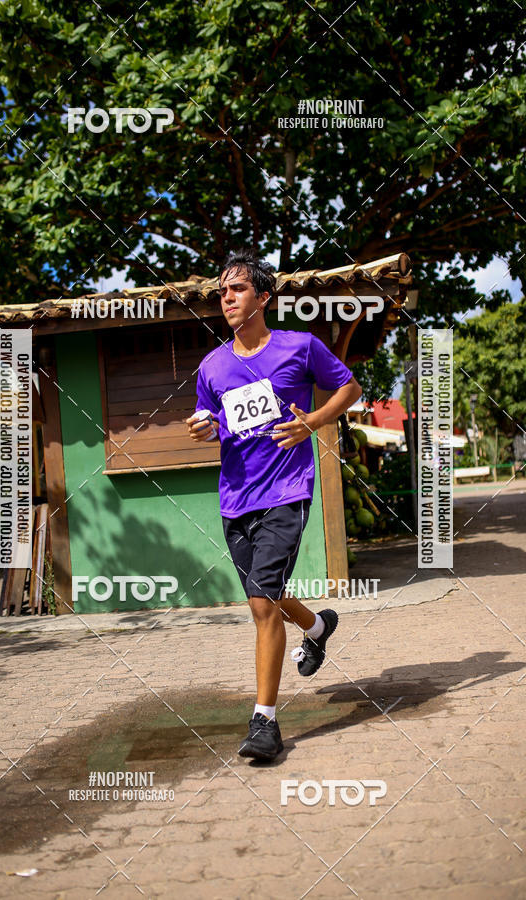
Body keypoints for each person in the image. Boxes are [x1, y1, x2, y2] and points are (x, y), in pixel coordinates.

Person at [186, 249, 362, 761]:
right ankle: (317, 626)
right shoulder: (212, 366)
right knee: (270, 594)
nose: (226, 299)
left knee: (261, 604)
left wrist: (313, 420)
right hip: (235, 498)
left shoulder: (299, 347)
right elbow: (209, 419)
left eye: (237, 290)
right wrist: (202, 427)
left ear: (264, 297)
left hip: (287, 491)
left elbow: (349, 387)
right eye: (221, 292)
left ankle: (264, 722)